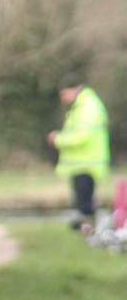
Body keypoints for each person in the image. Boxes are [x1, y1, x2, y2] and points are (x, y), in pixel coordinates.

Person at [47, 72, 110, 230]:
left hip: (87, 163)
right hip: (81, 164)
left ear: (76, 90)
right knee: (83, 202)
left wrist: (58, 140)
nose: (63, 98)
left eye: (64, 94)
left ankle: (92, 232)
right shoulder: (80, 106)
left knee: (85, 204)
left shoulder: (88, 107)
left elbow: (82, 136)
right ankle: (90, 231)